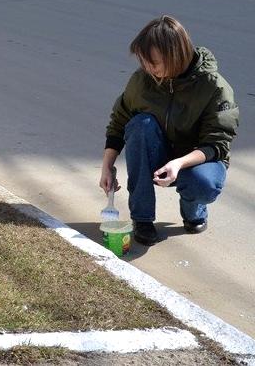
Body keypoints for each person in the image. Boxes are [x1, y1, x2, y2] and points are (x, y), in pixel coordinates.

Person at [99, 15, 238, 247]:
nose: (147, 69)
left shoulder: (214, 87)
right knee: (139, 125)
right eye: (143, 62)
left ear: (176, 55)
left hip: (198, 161)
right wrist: (106, 166)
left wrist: (179, 164)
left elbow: (217, 144)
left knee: (203, 184)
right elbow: (119, 121)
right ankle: (142, 218)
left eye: (153, 62)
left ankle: (193, 210)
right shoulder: (143, 80)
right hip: (159, 155)